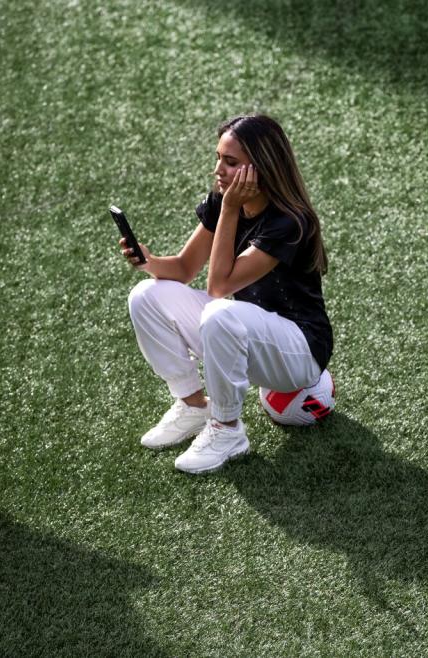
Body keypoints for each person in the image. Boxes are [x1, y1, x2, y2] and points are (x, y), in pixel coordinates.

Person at [119, 114, 333, 474]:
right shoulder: (222, 202)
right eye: (218, 158)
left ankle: (227, 429)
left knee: (219, 311)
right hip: (243, 334)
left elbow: (219, 287)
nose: (218, 169)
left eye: (231, 162)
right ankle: (193, 405)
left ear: (261, 167)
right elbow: (186, 268)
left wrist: (231, 209)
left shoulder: (288, 222)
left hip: (298, 354)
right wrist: (148, 261)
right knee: (146, 296)